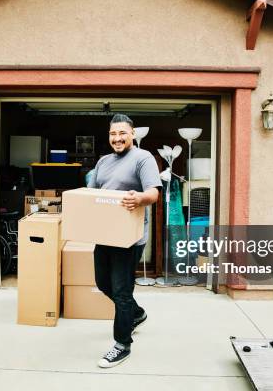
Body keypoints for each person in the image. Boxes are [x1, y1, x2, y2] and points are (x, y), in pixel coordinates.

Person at [87, 114, 161, 368]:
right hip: (105, 233)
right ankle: (137, 313)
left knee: (121, 290)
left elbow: (153, 192)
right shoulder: (103, 161)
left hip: (130, 237)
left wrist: (139, 198)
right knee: (103, 282)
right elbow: (93, 192)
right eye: (112, 134)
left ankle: (122, 344)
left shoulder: (143, 158)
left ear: (132, 134)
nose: (117, 138)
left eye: (122, 134)